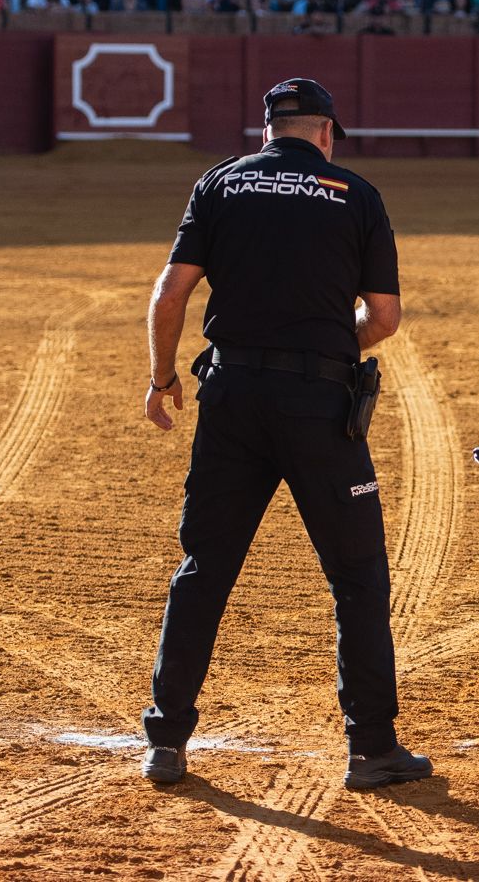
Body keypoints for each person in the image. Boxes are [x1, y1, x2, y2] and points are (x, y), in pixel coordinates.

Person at [141, 79, 432, 791]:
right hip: (319, 406)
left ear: (266, 130)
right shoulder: (355, 194)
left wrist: (161, 378)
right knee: (357, 578)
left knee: (204, 569)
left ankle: (167, 741)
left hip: (231, 396)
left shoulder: (221, 184)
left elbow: (170, 293)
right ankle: (371, 750)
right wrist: (334, 348)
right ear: (327, 131)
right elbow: (385, 319)